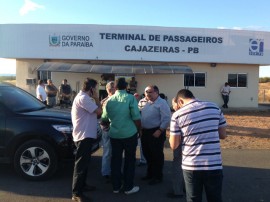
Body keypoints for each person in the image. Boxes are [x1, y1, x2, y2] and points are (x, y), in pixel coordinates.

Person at [169, 89, 227, 202]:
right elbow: (223, 135)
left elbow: (174, 145)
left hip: (191, 165)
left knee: (193, 198)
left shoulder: (177, 115)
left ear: (179, 101)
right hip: (214, 163)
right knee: (215, 198)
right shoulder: (214, 107)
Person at [101, 77, 141, 195]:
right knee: (129, 160)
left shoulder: (109, 100)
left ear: (115, 87)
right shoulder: (130, 98)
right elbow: (136, 117)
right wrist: (139, 130)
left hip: (114, 135)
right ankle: (128, 187)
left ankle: (116, 187)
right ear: (126, 86)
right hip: (129, 134)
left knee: (116, 160)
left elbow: (104, 119)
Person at [71, 78, 102, 202]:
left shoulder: (84, 98)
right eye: (96, 88)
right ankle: (76, 193)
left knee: (84, 164)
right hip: (83, 137)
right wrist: (97, 98)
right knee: (80, 166)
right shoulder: (84, 98)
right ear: (91, 89)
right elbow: (99, 111)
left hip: (85, 135)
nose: (96, 90)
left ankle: (82, 186)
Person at [139, 85, 171, 185]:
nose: (147, 94)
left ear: (156, 92)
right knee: (147, 153)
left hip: (156, 132)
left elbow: (166, 118)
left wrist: (160, 130)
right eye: (146, 92)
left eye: (149, 92)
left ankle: (157, 176)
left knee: (156, 155)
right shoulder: (147, 103)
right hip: (145, 132)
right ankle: (150, 173)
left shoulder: (162, 103)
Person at [166, 97, 185, 199]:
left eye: (173, 104)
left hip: (180, 146)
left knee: (177, 167)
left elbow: (174, 141)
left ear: (179, 103)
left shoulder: (177, 116)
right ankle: (188, 187)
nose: (172, 107)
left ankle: (178, 191)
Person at [100, 81, 115, 181]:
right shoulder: (111, 100)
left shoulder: (104, 100)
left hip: (107, 128)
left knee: (108, 151)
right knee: (109, 151)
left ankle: (107, 171)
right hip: (109, 128)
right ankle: (106, 172)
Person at [134, 93, 146, 166]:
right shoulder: (141, 102)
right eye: (135, 96)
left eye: (137, 96)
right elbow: (138, 114)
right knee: (135, 143)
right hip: (137, 126)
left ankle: (144, 159)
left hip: (145, 126)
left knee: (143, 144)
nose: (136, 97)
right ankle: (135, 159)